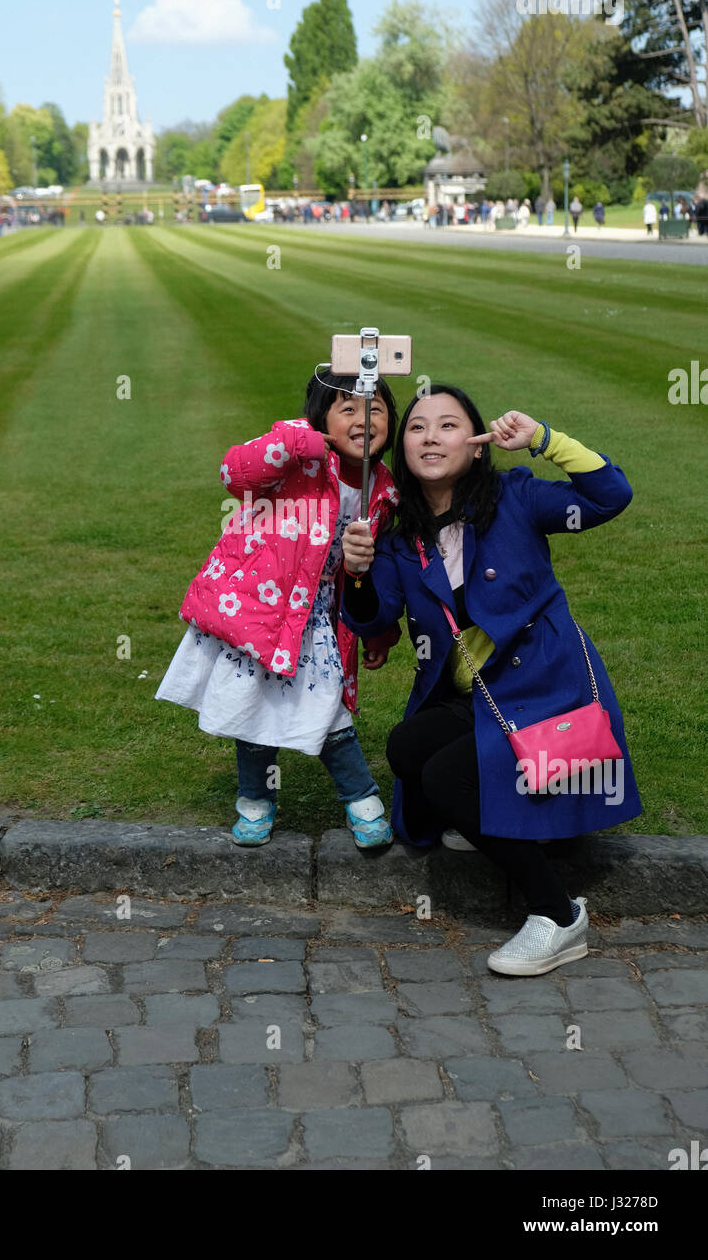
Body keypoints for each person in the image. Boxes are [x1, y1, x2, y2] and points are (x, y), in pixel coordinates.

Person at [340, 386, 641, 976]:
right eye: (418, 427)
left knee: (445, 778)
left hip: (545, 689)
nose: (431, 436)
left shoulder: (517, 498)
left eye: (449, 425)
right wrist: (355, 573)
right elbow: (376, 620)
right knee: (406, 748)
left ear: (476, 447)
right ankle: (508, 820)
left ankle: (557, 915)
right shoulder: (403, 537)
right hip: (476, 696)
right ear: (402, 448)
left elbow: (611, 496)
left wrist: (545, 440)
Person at [156, 373, 403, 850]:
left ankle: (359, 797)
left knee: (329, 706)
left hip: (317, 619)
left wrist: (377, 633)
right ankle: (256, 799)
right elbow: (234, 473)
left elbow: (376, 571)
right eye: (346, 409)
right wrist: (292, 441)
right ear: (321, 420)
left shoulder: (385, 490)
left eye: (374, 409)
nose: (362, 419)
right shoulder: (299, 458)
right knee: (251, 706)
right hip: (259, 611)